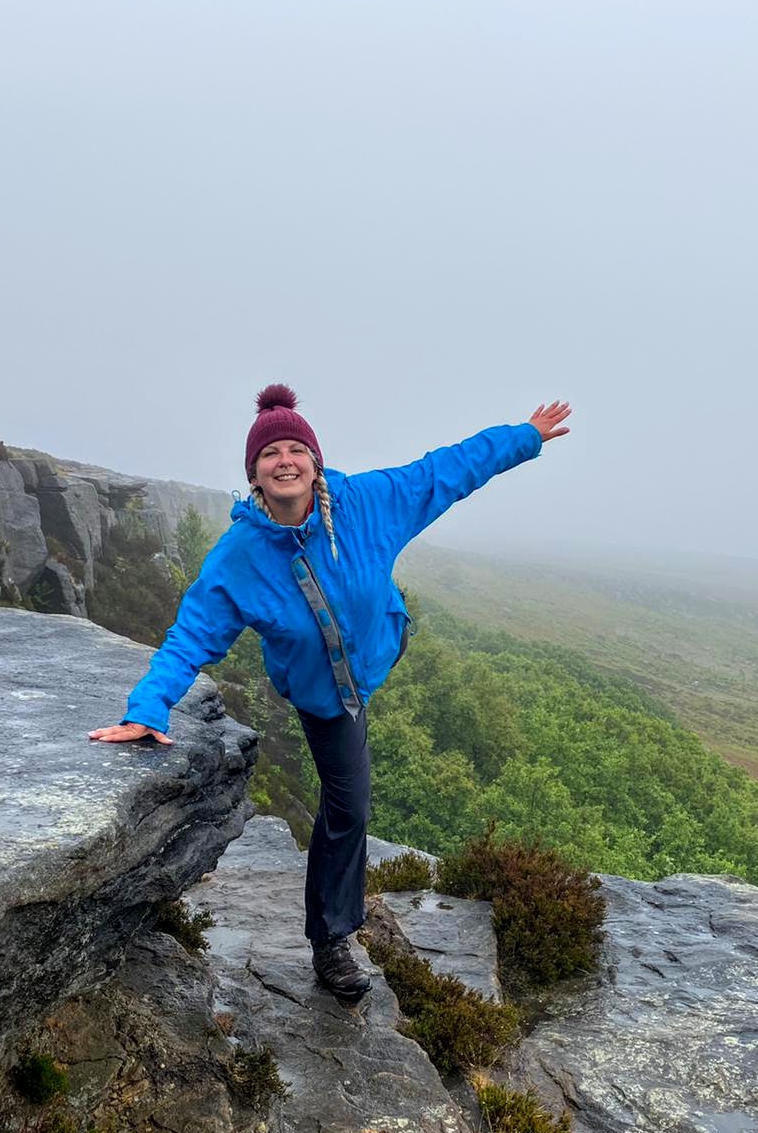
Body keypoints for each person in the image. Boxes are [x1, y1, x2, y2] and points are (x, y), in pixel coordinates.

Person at [90, 385, 573, 1001]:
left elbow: (444, 471)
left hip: (375, 652)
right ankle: (331, 939)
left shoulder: (367, 503)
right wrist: (146, 708)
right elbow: (190, 638)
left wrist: (523, 438)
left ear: (316, 462)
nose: (285, 460)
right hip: (321, 696)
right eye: (271, 454)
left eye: (297, 449)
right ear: (254, 475)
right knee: (348, 809)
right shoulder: (239, 558)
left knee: (372, 654)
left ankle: (375, 655)